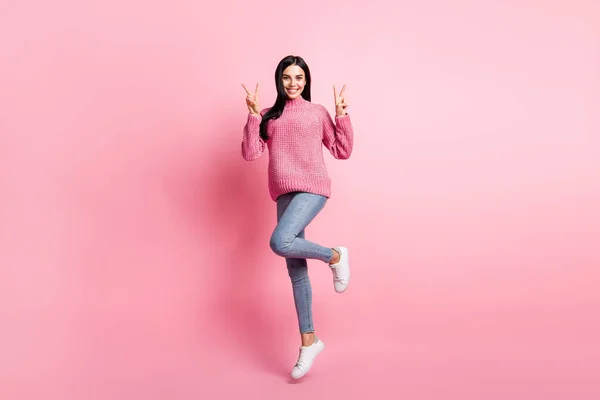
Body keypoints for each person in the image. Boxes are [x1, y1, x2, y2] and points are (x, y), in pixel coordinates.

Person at [241, 55, 354, 380]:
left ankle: (335, 255)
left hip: (313, 188)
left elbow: (341, 150)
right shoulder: (269, 116)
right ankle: (309, 341)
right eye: (287, 78)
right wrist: (251, 116)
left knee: (281, 241)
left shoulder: (316, 113)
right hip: (284, 192)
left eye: (299, 78)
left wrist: (342, 115)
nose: (293, 83)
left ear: (307, 80)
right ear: (280, 80)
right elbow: (251, 153)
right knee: (295, 269)